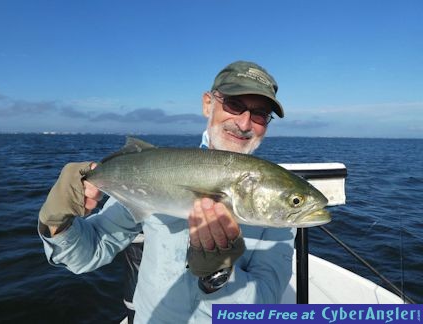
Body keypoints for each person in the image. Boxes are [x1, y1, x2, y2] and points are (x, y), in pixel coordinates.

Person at [38, 61, 296, 324]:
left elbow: (266, 302)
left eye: (260, 114)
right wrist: (56, 221)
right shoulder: (153, 172)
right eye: (234, 105)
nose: (244, 123)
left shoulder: (279, 210)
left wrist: (217, 276)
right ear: (208, 104)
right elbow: (87, 253)